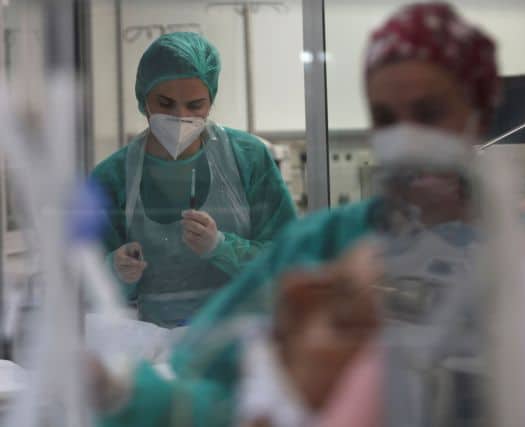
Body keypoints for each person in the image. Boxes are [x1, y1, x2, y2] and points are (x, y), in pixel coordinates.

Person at [94, 3, 499, 426]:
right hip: (161, 342)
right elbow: (214, 384)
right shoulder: (329, 239)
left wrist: (222, 247)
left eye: (429, 112)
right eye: (384, 116)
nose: (407, 134)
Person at [91, 32, 296, 328]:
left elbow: (287, 259)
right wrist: (117, 271)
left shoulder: (248, 157)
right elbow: (92, 283)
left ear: (210, 102)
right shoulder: (113, 177)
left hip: (242, 337)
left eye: (195, 105)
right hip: (158, 344)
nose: (180, 116)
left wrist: (223, 248)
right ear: (142, 99)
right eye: (165, 103)